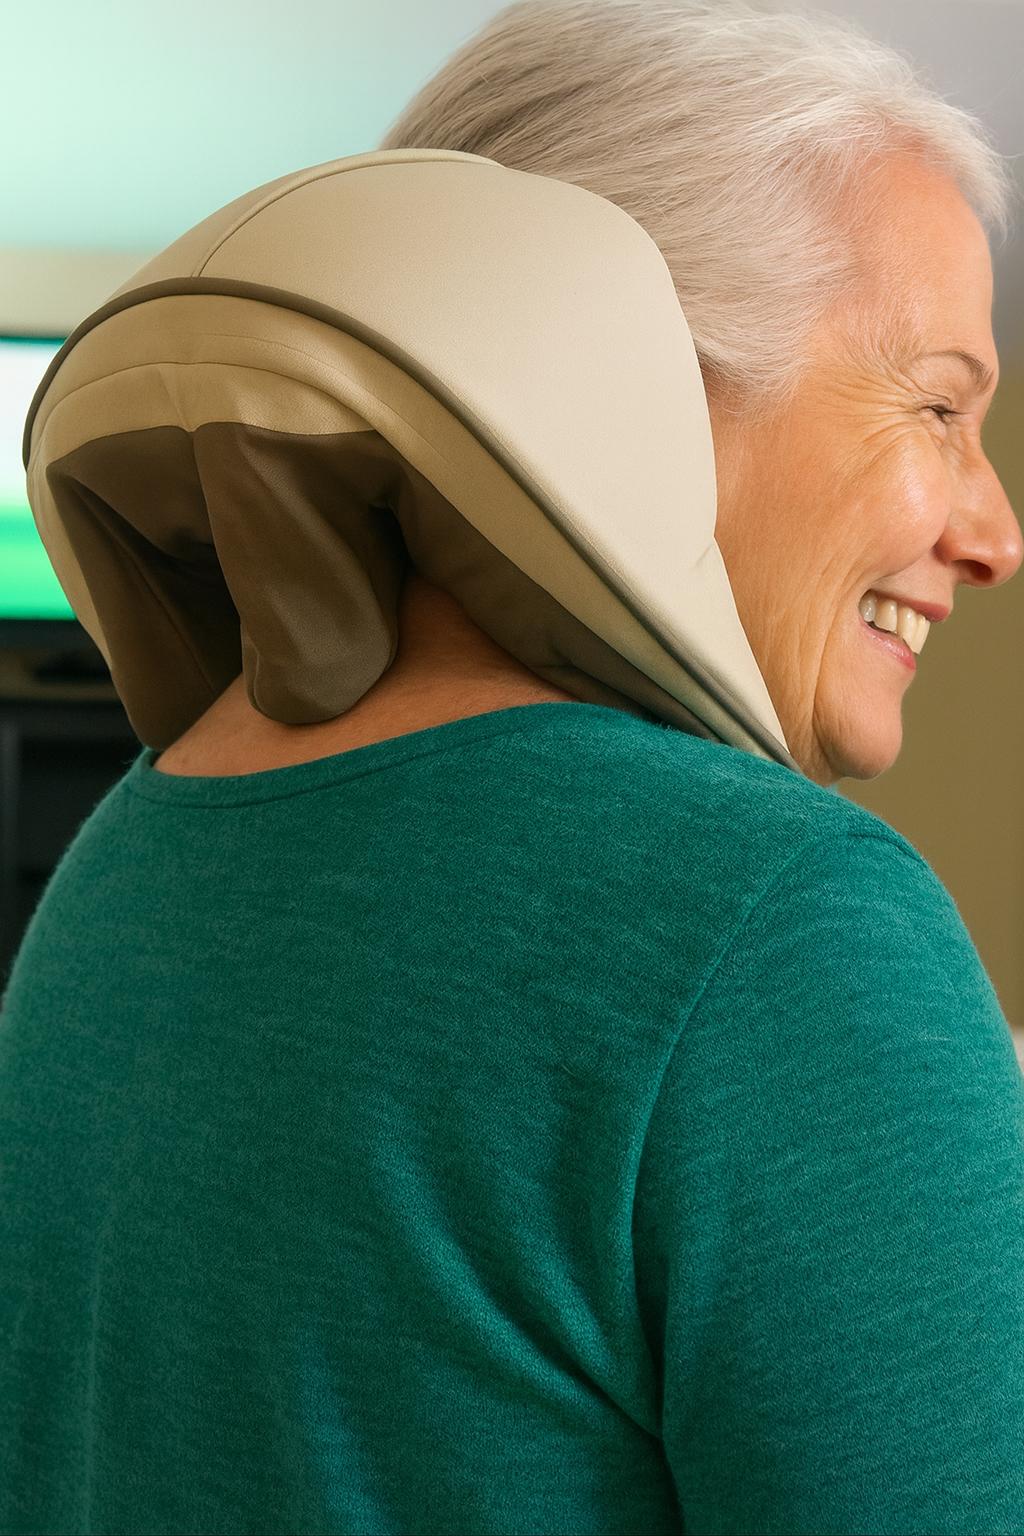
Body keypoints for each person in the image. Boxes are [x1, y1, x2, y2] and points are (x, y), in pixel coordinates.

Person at [3, 3, 1024, 1533]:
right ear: (618, 371)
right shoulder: (781, 921)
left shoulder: (128, 860)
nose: (996, 532)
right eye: (939, 407)